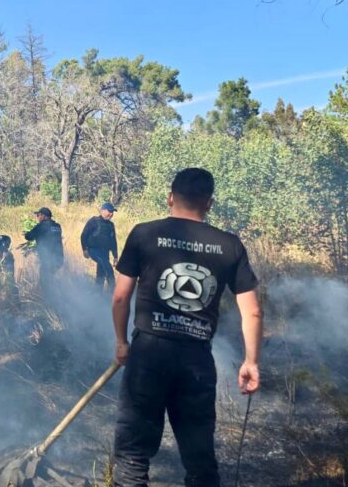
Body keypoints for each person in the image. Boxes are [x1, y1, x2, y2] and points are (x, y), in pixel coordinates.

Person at [111, 168, 262, 487]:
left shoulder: (143, 234)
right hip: (196, 360)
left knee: (132, 456)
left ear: (170, 197)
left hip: (147, 354)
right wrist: (251, 362)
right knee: (199, 458)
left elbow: (121, 297)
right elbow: (253, 312)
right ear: (209, 203)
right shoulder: (230, 245)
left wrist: (122, 343)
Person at [23, 207, 65, 293]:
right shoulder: (57, 226)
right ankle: (58, 294)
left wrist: (27, 233)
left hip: (48, 260)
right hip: (59, 259)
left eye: (38, 215)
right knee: (51, 278)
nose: (37, 217)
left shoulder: (41, 226)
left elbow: (28, 236)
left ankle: (49, 298)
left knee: (45, 282)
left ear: (44, 216)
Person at [81, 202, 119, 289]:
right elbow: (84, 235)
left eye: (112, 212)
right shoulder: (94, 221)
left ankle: (98, 293)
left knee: (101, 274)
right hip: (93, 250)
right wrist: (84, 249)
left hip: (105, 252)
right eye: (109, 211)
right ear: (103, 211)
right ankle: (114, 292)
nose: (111, 214)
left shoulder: (111, 225)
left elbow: (113, 241)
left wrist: (115, 257)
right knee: (108, 268)